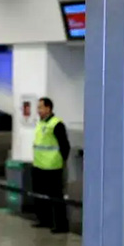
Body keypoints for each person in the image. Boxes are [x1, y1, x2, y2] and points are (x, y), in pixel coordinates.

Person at [32, 97, 70, 234]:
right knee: (40, 196)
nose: (38, 110)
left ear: (48, 108)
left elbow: (65, 146)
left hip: (52, 167)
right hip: (39, 165)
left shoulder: (56, 124)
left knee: (56, 196)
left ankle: (61, 225)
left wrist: (60, 160)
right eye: (38, 107)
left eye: (40, 107)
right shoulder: (40, 123)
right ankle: (44, 220)